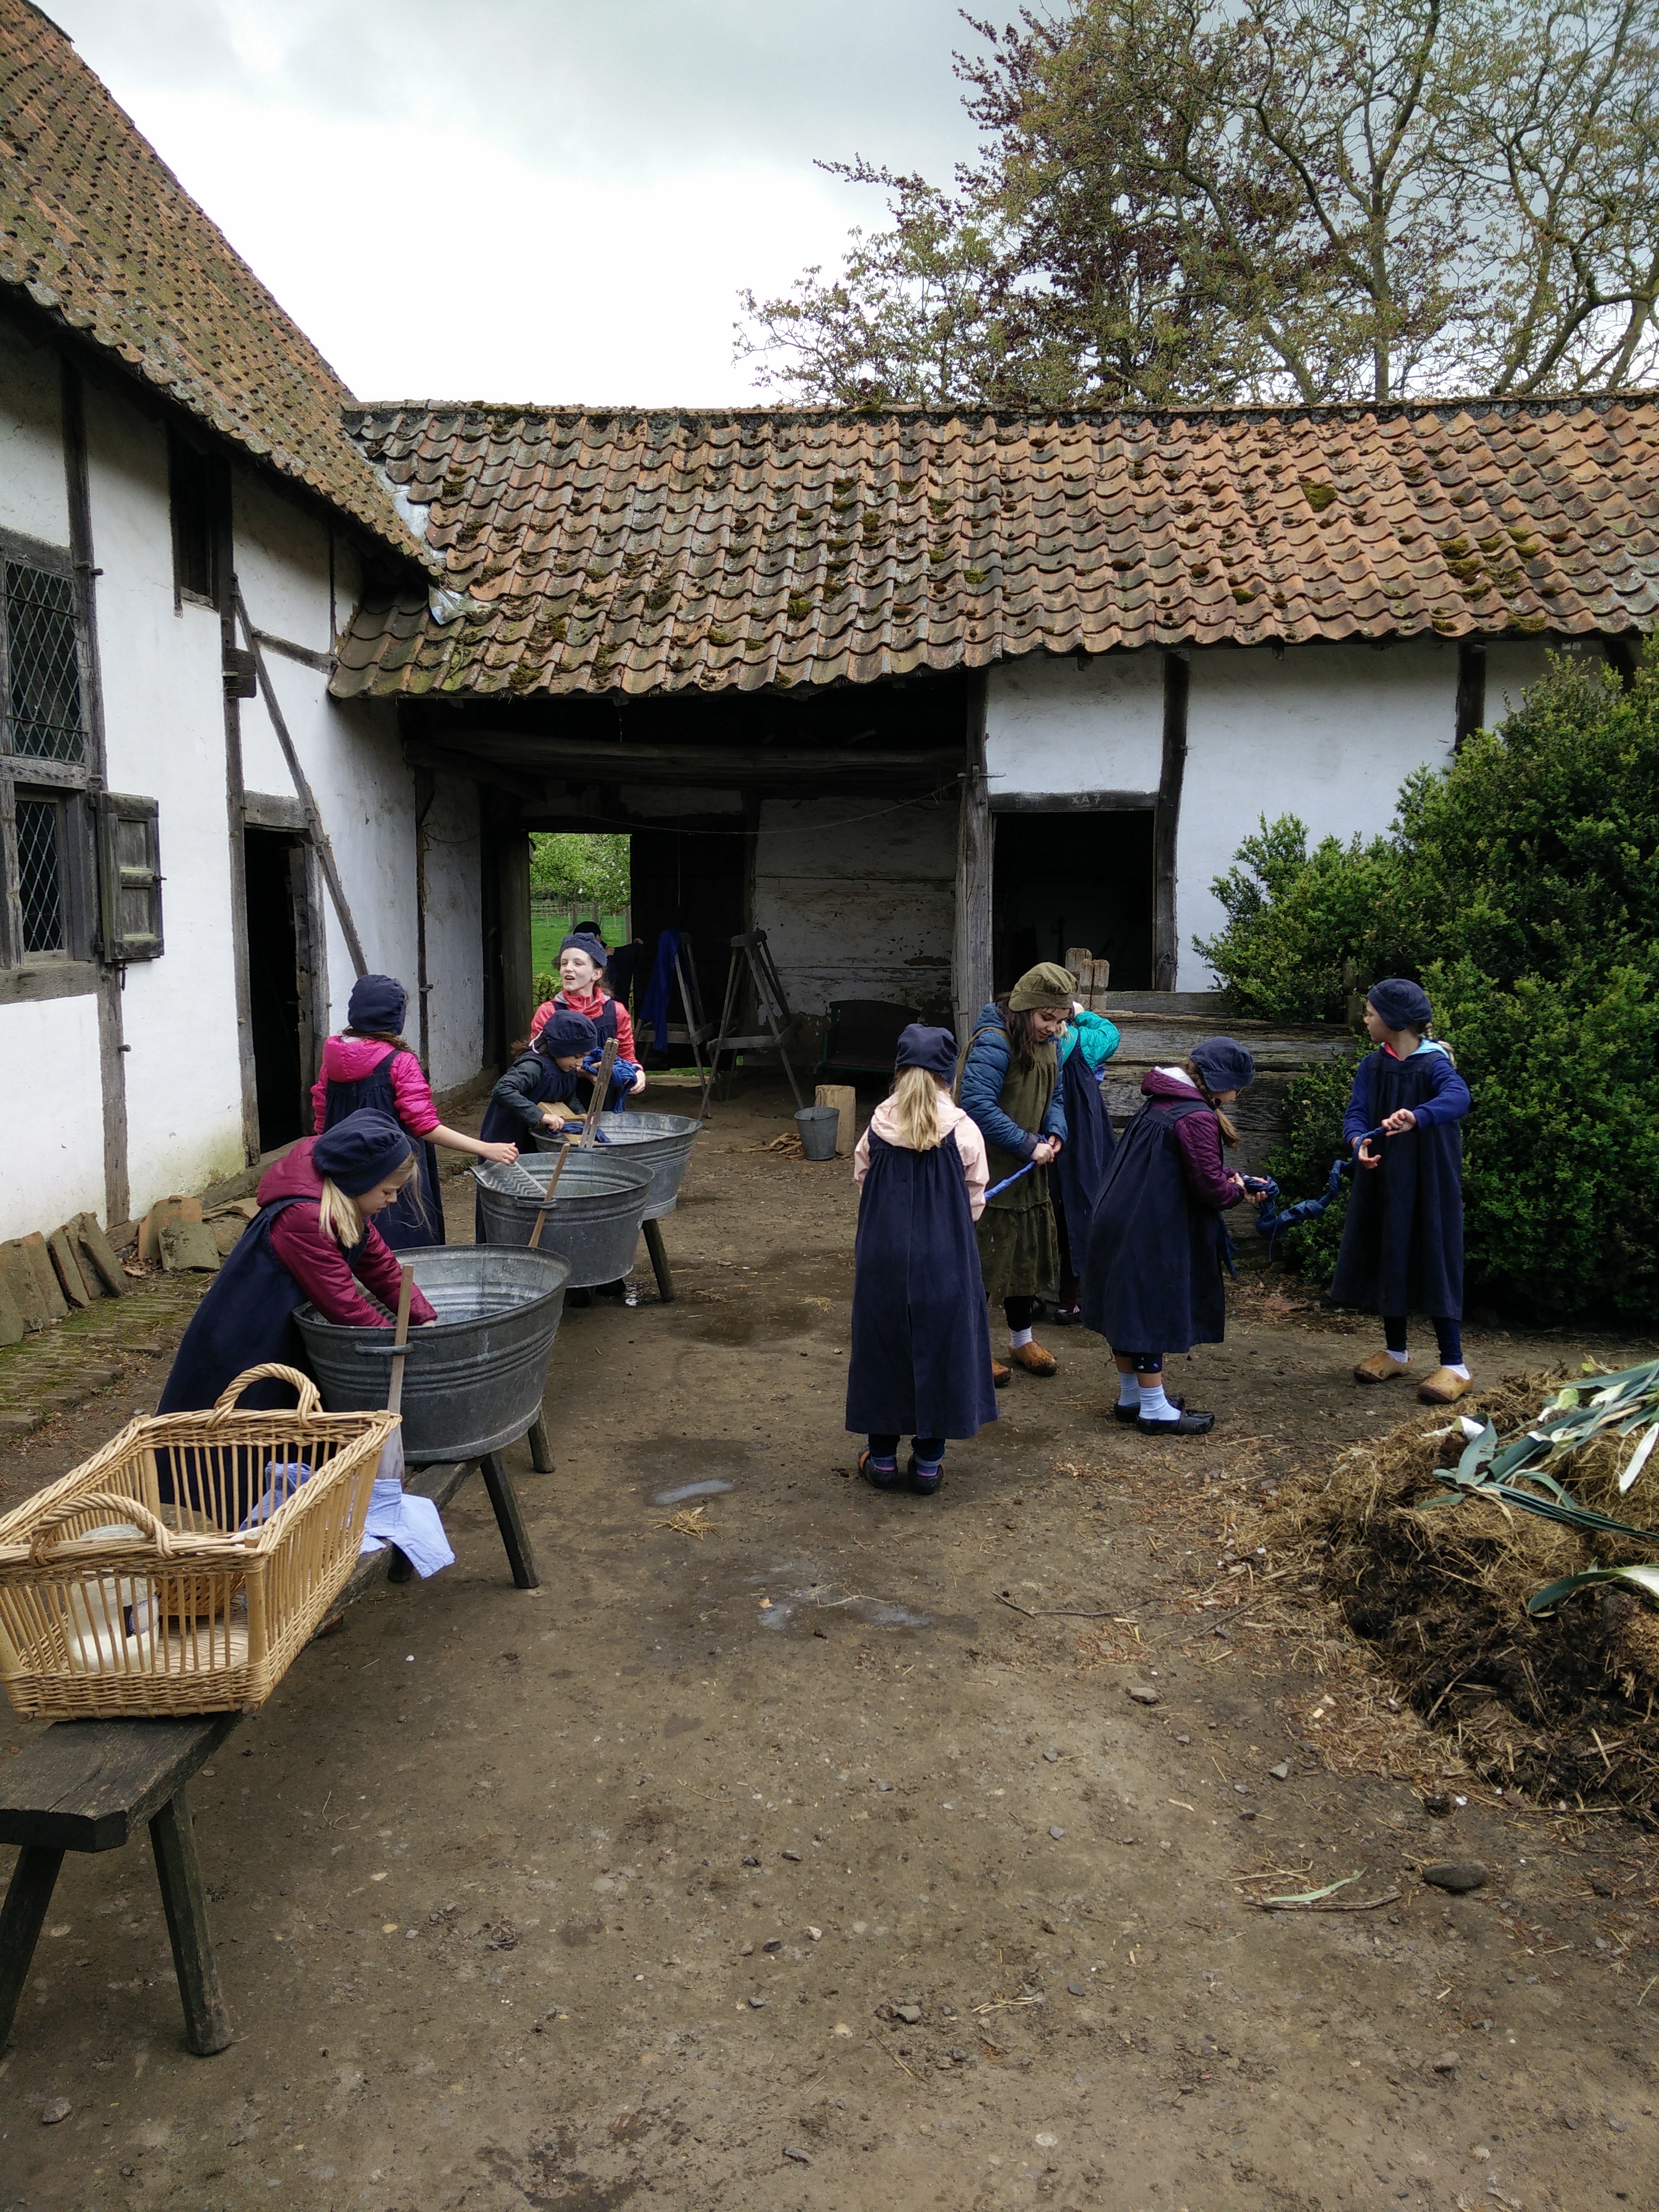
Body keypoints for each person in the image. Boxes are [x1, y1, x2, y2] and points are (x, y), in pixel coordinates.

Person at [158, 1109, 438, 1419]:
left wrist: (422, 1317)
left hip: (284, 1321)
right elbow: (344, 1304)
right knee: (242, 1416)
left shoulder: (340, 1199)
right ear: (360, 1180)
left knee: (288, 1410)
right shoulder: (305, 1218)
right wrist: (394, 1351)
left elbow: (381, 1267)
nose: (394, 1200)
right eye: (388, 1191)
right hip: (250, 1332)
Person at [1081, 1037, 1263, 1436]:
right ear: (1219, 1081)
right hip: (1150, 1228)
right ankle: (1154, 1410)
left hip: (1119, 1218)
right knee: (1150, 1315)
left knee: (1127, 1311)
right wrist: (1240, 1191)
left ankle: (1132, 1397)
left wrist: (1227, 1177)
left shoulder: (1161, 1101)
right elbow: (1209, 1190)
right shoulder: (1195, 1116)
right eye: (1238, 1087)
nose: (1236, 1096)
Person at [845, 1025, 998, 1496]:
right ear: (946, 1076)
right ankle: (929, 1465)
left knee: (883, 1345)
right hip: (945, 1257)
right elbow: (976, 1198)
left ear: (900, 1071)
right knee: (943, 1346)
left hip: (884, 1257)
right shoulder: (965, 1130)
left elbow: (862, 1181)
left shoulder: (877, 1126)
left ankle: (884, 1461)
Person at [1330, 976, 1473, 1404]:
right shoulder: (1373, 1065)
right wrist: (1359, 1143)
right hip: (1386, 1179)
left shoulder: (1435, 1065)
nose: (1367, 1020)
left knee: (1435, 1253)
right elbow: (1355, 1114)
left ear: (1392, 1021)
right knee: (1389, 1251)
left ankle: (1456, 1365)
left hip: (1430, 1182)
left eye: (1371, 1014)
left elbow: (1459, 1097)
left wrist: (1418, 1116)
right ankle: (1397, 1352)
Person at [312, 974, 519, 1250]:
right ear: (396, 1018)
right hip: (394, 1170)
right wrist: (485, 1149)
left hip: (346, 1170)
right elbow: (425, 1126)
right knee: (403, 1235)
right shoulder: (399, 1063)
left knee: (351, 1238)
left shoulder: (333, 1058)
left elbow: (322, 1119)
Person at [956, 963, 1072, 1386]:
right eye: (1046, 1019)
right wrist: (1027, 1143)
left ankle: (1021, 1340)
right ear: (1024, 1011)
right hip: (988, 1175)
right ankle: (972, 1349)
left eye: (1060, 1020)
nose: (1054, 1029)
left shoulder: (1051, 1044)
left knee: (1024, 1257)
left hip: (1029, 1175)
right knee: (983, 1263)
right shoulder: (994, 1042)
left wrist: (1056, 1130)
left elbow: (1055, 1094)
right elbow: (976, 1105)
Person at [1049, 1000, 1120, 1326]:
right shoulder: (1081, 1041)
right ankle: (1068, 1302)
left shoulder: (1032, 1044)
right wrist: (1082, 1014)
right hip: (1080, 1142)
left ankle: (1028, 1298)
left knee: (1043, 1211)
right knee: (1080, 1211)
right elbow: (1111, 1034)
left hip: (1041, 1139)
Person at [529, 933, 648, 1096]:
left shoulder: (616, 1012)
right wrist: (583, 1072)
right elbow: (538, 1063)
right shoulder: (548, 1012)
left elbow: (626, 1056)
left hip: (605, 1102)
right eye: (564, 963)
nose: (568, 968)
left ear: (596, 974)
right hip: (560, 1103)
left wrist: (637, 1071)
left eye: (578, 963)